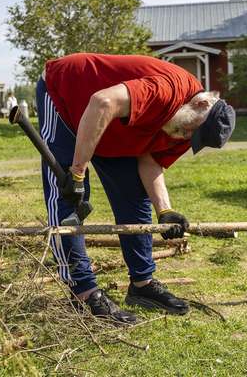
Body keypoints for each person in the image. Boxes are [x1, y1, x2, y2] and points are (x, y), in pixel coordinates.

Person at [37, 53, 235, 324]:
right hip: (67, 99)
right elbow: (102, 102)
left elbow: (150, 162)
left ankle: (142, 284)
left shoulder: (184, 125)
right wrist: (77, 170)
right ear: (200, 103)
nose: (187, 136)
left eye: (193, 138)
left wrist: (165, 210)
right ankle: (83, 292)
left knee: (135, 195)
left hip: (110, 125)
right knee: (68, 195)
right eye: (192, 131)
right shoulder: (167, 90)